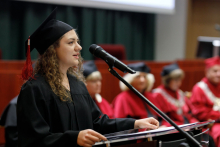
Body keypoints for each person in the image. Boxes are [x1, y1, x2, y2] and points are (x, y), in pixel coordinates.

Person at [17, 8, 159, 147]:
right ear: (52, 50)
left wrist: (135, 123)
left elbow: (98, 122)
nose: (79, 47)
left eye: (77, 42)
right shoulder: (34, 89)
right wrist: (74, 138)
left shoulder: (77, 84)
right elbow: (34, 140)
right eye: (71, 42)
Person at [190, 56, 220, 147]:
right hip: (209, 125)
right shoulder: (199, 88)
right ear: (207, 72)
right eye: (215, 71)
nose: (219, 74)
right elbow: (199, 113)